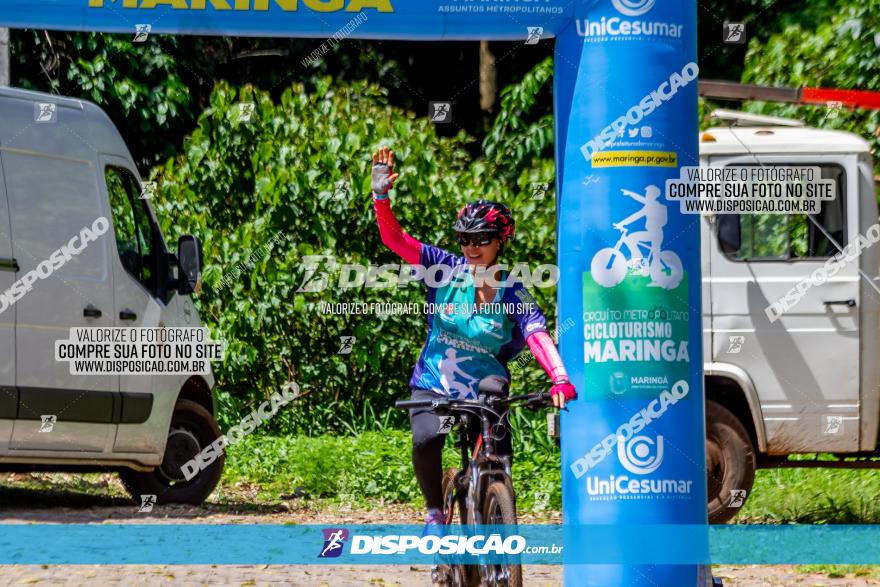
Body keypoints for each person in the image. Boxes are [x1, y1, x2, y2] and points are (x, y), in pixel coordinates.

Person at [369, 146, 577, 529]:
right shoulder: (445, 269)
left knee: (498, 449)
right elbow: (395, 240)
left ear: (501, 241)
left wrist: (559, 378)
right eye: (464, 238)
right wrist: (381, 198)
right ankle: (435, 511)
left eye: (481, 238)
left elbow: (538, 335)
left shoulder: (515, 291)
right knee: (428, 440)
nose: (470, 247)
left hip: (484, 385)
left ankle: (497, 497)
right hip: (435, 381)